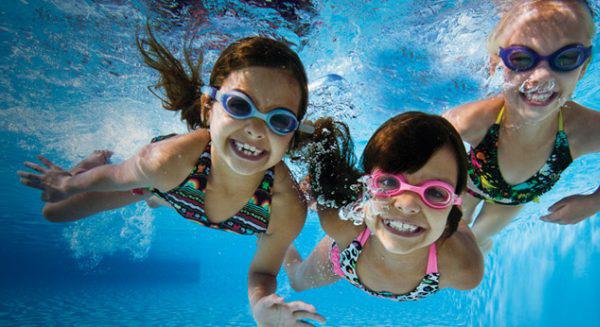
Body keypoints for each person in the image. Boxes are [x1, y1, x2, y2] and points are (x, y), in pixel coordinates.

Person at [17, 25, 351, 326]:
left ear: (292, 134)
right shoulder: (165, 161)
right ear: (209, 105)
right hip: (160, 187)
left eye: (278, 121)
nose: (255, 129)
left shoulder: (286, 207)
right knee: (55, 210)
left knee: (58, 212)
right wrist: (66, 182)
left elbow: (263, 272)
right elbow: (116, 176)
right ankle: (92, 159)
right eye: (239, 106)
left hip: (179, 194)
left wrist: (261, 307)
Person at [443, 0, 600, 252]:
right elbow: (412, 144)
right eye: (521, 58)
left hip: (512, 202)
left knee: (474, 243)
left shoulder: (580, 130)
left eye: (567, 58)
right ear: (496, 64)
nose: (543, 75)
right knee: (451, 232)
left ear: (583, 68)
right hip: (470, 186)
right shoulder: (476, 120)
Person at [284, 112, 484, 301]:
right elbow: (323, 179)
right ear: (367, 184)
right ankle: (272, 237)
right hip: (348, 260)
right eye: (388, 182)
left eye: (436, 193)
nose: (407, 205)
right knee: (297, 281)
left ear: (456, 201)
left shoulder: (464, 268)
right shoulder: (342, 224)